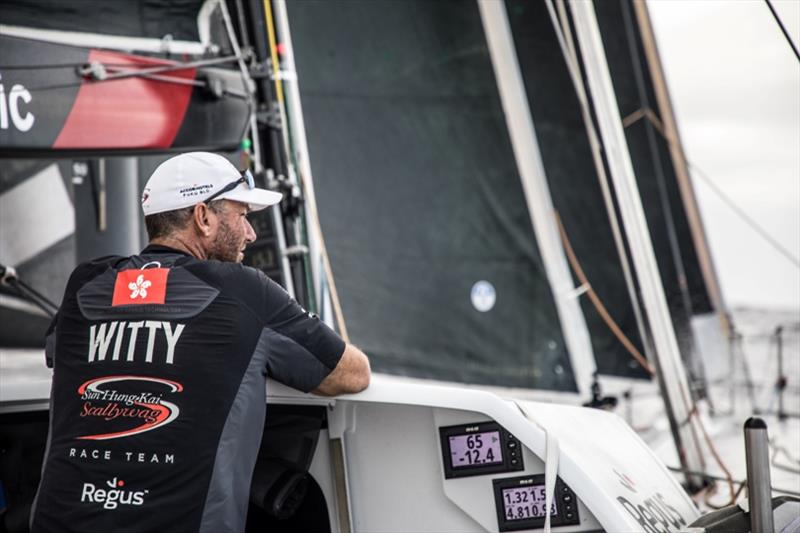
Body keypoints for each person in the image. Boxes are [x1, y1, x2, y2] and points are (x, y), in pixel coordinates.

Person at [30, 152, 370, 533]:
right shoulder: (245, 291)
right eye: (242, 216)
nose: (250, 233)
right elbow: (350, 374)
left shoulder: (86, 282)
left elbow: (59, 353)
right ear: (203, 217)